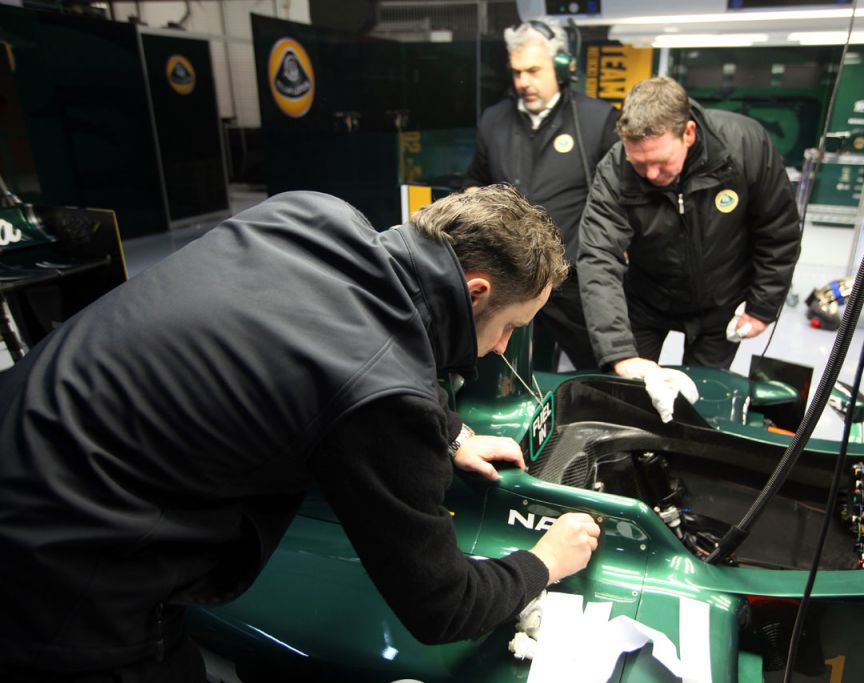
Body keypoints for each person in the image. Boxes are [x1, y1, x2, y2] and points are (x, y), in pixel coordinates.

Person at [0, 186, 601, 681]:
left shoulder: (311, 212)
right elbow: (442, 606)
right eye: (507, 329)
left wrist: (450, 433)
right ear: (476, 291)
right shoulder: (387, 397)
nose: (501, 350)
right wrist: (543, 563)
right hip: (63, 568)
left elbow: (330, 341)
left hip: (24, 427)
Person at [577, 76, 801, 381]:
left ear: (689, 133)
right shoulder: (615, 171)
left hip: (721, 304)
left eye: (661, 161)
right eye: (639, 164)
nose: (652, 174)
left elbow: (778, 230)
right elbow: (597, 258)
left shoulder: (745, 146)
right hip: (646, 301)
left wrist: (763, 306)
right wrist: (618, 352)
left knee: (702, 399)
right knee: (632, 392)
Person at [464, 20, 618, 371]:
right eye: (517, 72)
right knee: (510, 369)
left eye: (533, 70)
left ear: (562, 67)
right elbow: (475, 178)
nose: (523, 82)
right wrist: (475, 200)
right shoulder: (494, 120)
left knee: (597, 368)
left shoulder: (597, 121)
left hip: (573, 280)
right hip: (511, 276)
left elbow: (622, 198)